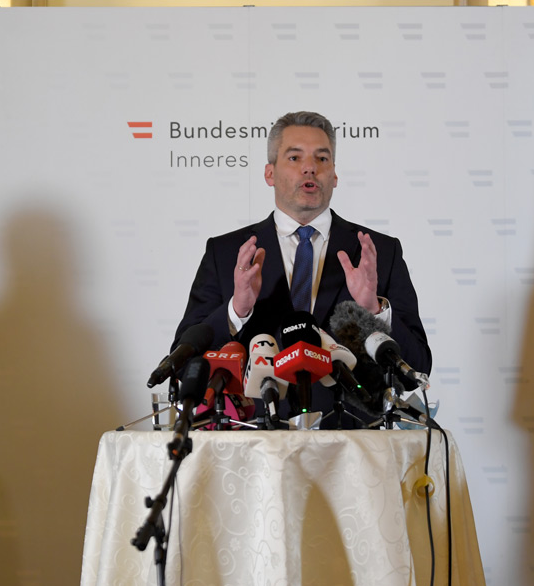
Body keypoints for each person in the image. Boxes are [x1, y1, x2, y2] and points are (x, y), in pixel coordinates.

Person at [172, 111, 431, 425]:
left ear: (334, 175)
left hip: (351, 446)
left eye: (322, 159)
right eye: (295, 157)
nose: (310, 167)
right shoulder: (226, 253)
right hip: (252, 441)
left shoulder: (377, 252)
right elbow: (185, 369)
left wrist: (373, 309)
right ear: (270, 173)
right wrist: (236, 311)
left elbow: (416, 368)